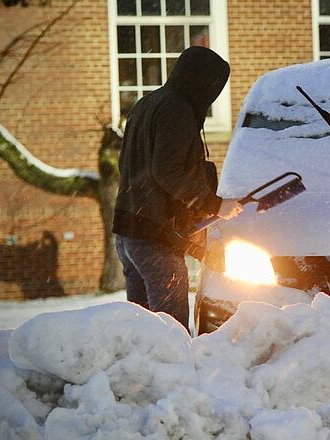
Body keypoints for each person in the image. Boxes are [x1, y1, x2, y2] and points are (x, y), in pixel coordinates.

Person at [113, 46, 242, 331]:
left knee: (142, 327)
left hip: (128, 233)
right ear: (202, 82)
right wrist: (214, 205)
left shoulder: (146, 105)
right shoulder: (177, 110)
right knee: (171, 330)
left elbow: (129, 165)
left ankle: (142, 373)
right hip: (154, 239)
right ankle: (174, 372)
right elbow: (168, 171)